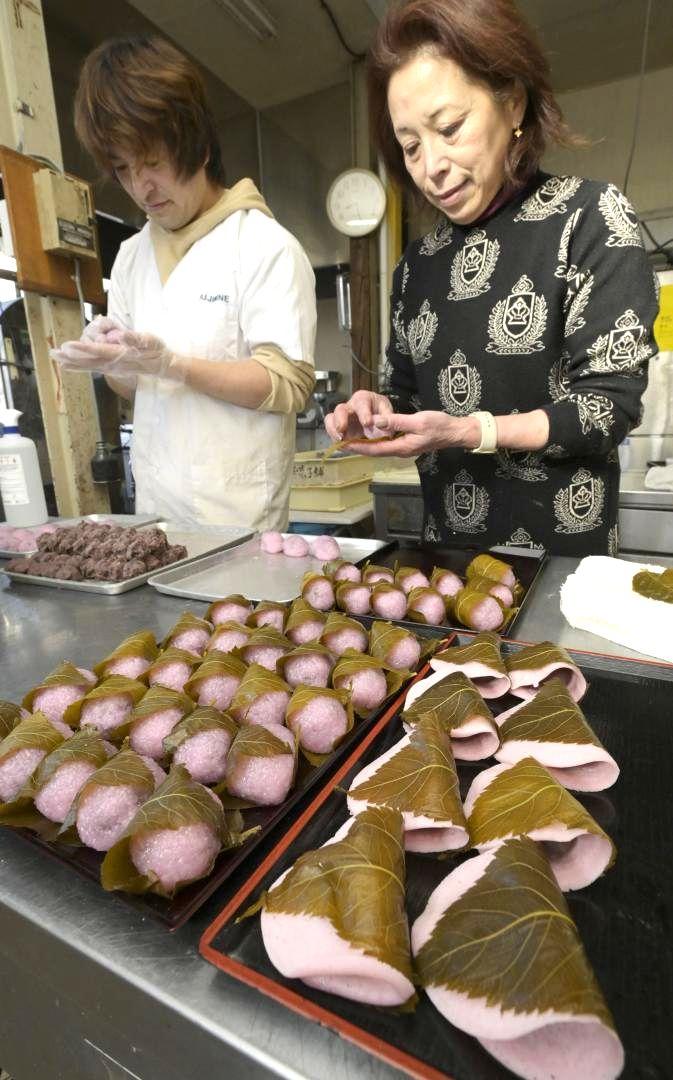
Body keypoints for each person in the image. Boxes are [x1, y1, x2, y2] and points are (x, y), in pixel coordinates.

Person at [325, 0, 658, 556]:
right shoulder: (417, 267)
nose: (431, 166)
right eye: (411, 146)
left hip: (561, 570)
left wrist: (471, 430)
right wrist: (376, 414)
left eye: (449, 128)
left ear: (513, 102)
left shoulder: (590, 219)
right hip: (447, 572)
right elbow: (405, 402)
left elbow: (607, 407)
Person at [53, 35, 316, 530]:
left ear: (193, 141)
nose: (141, 187)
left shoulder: (263, 244)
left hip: (239, 519)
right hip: (154, 513)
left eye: (152, 161)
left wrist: (173, 365)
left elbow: (289, 385)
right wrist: (114, 360)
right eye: (124, 168)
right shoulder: (131, 256)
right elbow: (131, 387)